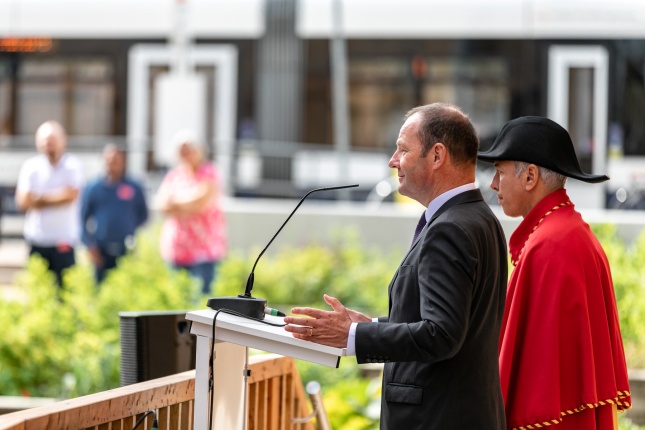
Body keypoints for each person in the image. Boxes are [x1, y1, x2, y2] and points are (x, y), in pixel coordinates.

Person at [284, 103, 508, 429]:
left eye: (402, 150)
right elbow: (451, 319)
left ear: (436, 156)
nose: (393, 161)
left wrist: (355, 335)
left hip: (435, 419)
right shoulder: (479, 218)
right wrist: (373, 324)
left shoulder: (450, 228)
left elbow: (442, 334)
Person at [478, 116, 632, 429]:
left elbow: (537, 370)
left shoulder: (548, 245)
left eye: (499, 172)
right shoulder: (570, 232)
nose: (494, 184)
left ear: (530, 176)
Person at [156, 130, 227, 295]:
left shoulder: (210, 171)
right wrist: (188, 203)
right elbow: (163, 206)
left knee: (201, 303)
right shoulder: (174, 175)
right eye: (182, 151)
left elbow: (200, 202)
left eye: (190, 149)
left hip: (204, 252)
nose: (186, 154)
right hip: (176, 251)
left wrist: (177, 203)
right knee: (177, 300)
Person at [15, 120, 83, 287]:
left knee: (65, 293)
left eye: (52, 139)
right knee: (37, 291)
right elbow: (23, 202)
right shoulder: (31, 166)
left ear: (63, 140)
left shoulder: (72, 165)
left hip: (63, 240)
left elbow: (70, 196)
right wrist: (57, 196)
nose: (49, 143)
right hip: (37, 240)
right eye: (45, 139)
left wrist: (38, 199)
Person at [80, 144, 148, 283]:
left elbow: (143, 214)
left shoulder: (133, 186)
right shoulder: (94, 187)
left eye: (117, 160)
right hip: (100, 250)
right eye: (109, 160)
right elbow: (82, 217)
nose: (113, 164)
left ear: (123, 161)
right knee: (100, 291)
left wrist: (128, 227)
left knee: (127, 289)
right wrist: (89, 245)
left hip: (126, 248)